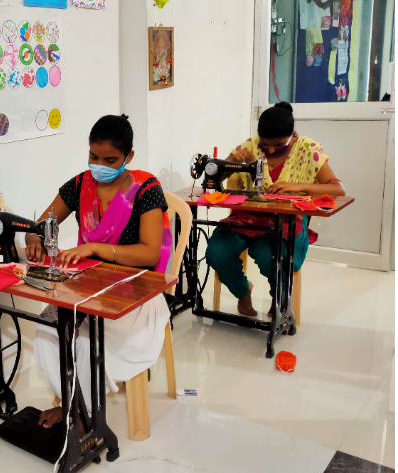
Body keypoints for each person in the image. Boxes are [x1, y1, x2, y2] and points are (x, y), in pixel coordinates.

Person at [25, 114, 173, 428]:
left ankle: (85, 414)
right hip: (90, 287)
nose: (99, 165)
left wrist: (96, 249)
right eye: (94, 157)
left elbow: (149, 253)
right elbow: (41, 224)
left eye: (110, 160)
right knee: (48, 329)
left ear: (128, 158)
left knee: (82, 339)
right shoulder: (80, 185)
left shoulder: (146, 190)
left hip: (136, 294)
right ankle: (72, 403)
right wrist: (34, 238)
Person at [205, 102, 345, 316]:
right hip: (247, 216)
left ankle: (279, 296)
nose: (269, 150)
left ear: (292, 135)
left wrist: (299, 187)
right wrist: (231, 161)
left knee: (269, 256)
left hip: (287, 219)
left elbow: (338, 189)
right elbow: (219, 177)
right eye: (264, 145)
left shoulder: (307, 150)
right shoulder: (248, 147)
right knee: (217, 251)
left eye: (278, 145)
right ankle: (243, 291)